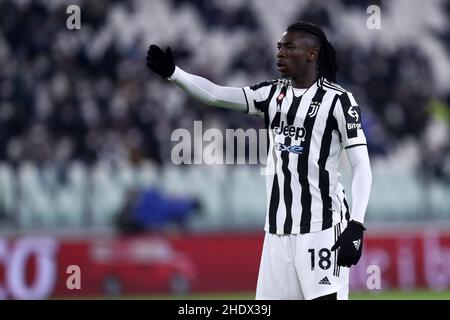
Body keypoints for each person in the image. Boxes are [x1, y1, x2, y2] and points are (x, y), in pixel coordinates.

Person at [146, 21, 372, 300]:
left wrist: (356, 225)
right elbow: (216, 95)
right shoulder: (271, 95)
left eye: (290, 47)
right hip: (277, 233)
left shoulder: (339, 101)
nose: (280, 53)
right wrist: (174, 73)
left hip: (322, 228)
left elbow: (361, 165)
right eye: (279, 47)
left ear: (312, 54)